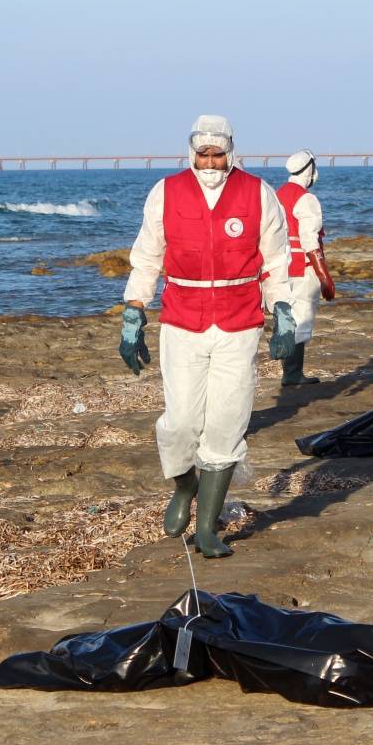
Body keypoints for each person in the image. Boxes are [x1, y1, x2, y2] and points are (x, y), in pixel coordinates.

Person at [118, 115, 297, 558]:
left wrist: (283, 311)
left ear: (231, 151)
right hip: (182, 321)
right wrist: (134, 310)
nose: (211, 162)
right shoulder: (166, 192)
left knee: (226, 422)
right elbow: (147, 256)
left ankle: (207, 529)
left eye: (219, 154)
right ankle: (184, 487)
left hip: (239, 322)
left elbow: (276, 259)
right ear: (191, 152)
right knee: (180, 423)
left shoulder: (258, 193)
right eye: (204, 154)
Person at [273, 150, 336, 385]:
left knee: (286, 318)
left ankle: (289, 372)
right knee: (301, 318)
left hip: (281, 267)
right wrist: (324, 276)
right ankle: (293, 374)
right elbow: (310, 240)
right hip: (302, 267)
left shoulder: (276, 195)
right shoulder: (306, 199)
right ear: (310, 170)